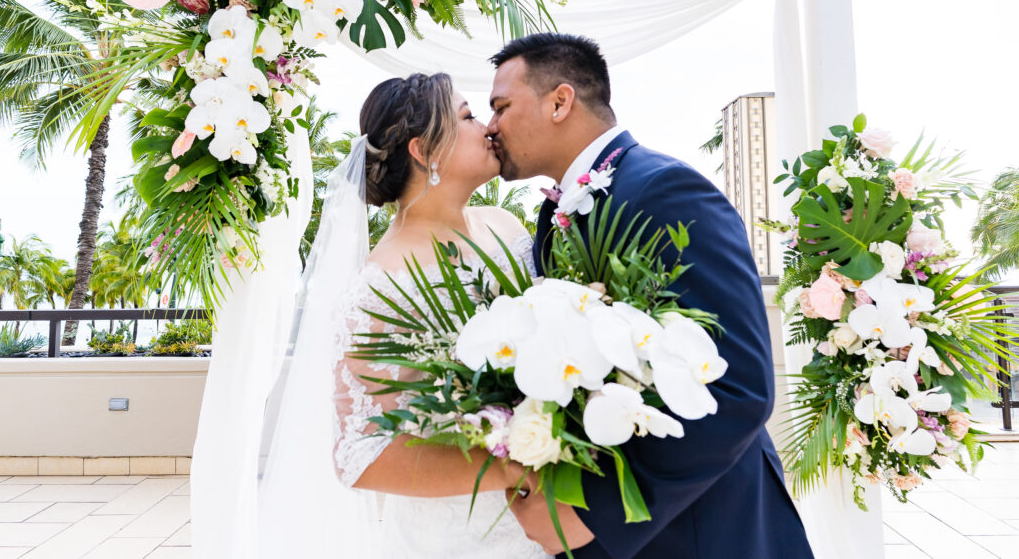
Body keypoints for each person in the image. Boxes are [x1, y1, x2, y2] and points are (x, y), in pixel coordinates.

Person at [485, 33, 814, 558]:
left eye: (501, 106)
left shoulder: (667, 190)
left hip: (705, 529)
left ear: (560, 101)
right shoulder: (552, 215)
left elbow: (741, 386)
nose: (491, 126)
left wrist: (595, 514)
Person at [327, 72, 549, 557]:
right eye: (468, 117)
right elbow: (358, 455)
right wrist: (513, 466)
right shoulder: (382, 286)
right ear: (425, 152)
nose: (489, 127)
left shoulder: (503, 225)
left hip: (554, 512)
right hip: (460, 533)